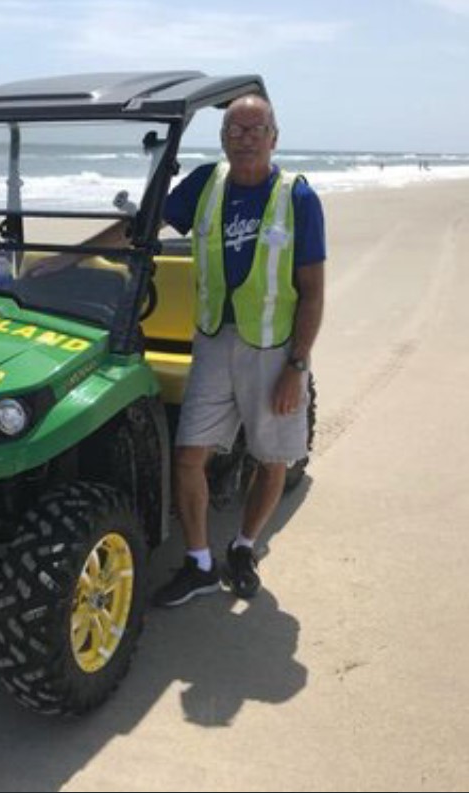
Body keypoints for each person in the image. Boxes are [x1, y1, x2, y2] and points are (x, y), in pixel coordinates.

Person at [154, 93, 326, 606]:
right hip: (213, 340)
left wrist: (297, 366)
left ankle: (245, 547)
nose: (245, 138)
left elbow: (313, 292)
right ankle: (200, 563)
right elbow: (145, 225)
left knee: (272, 458)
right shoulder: (206, 183)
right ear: (223, 138)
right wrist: (78, 254)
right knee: (188, 455)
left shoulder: (298, 198)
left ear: (274, 137)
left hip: (273, 347)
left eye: (256, 129)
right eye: (235, 130)